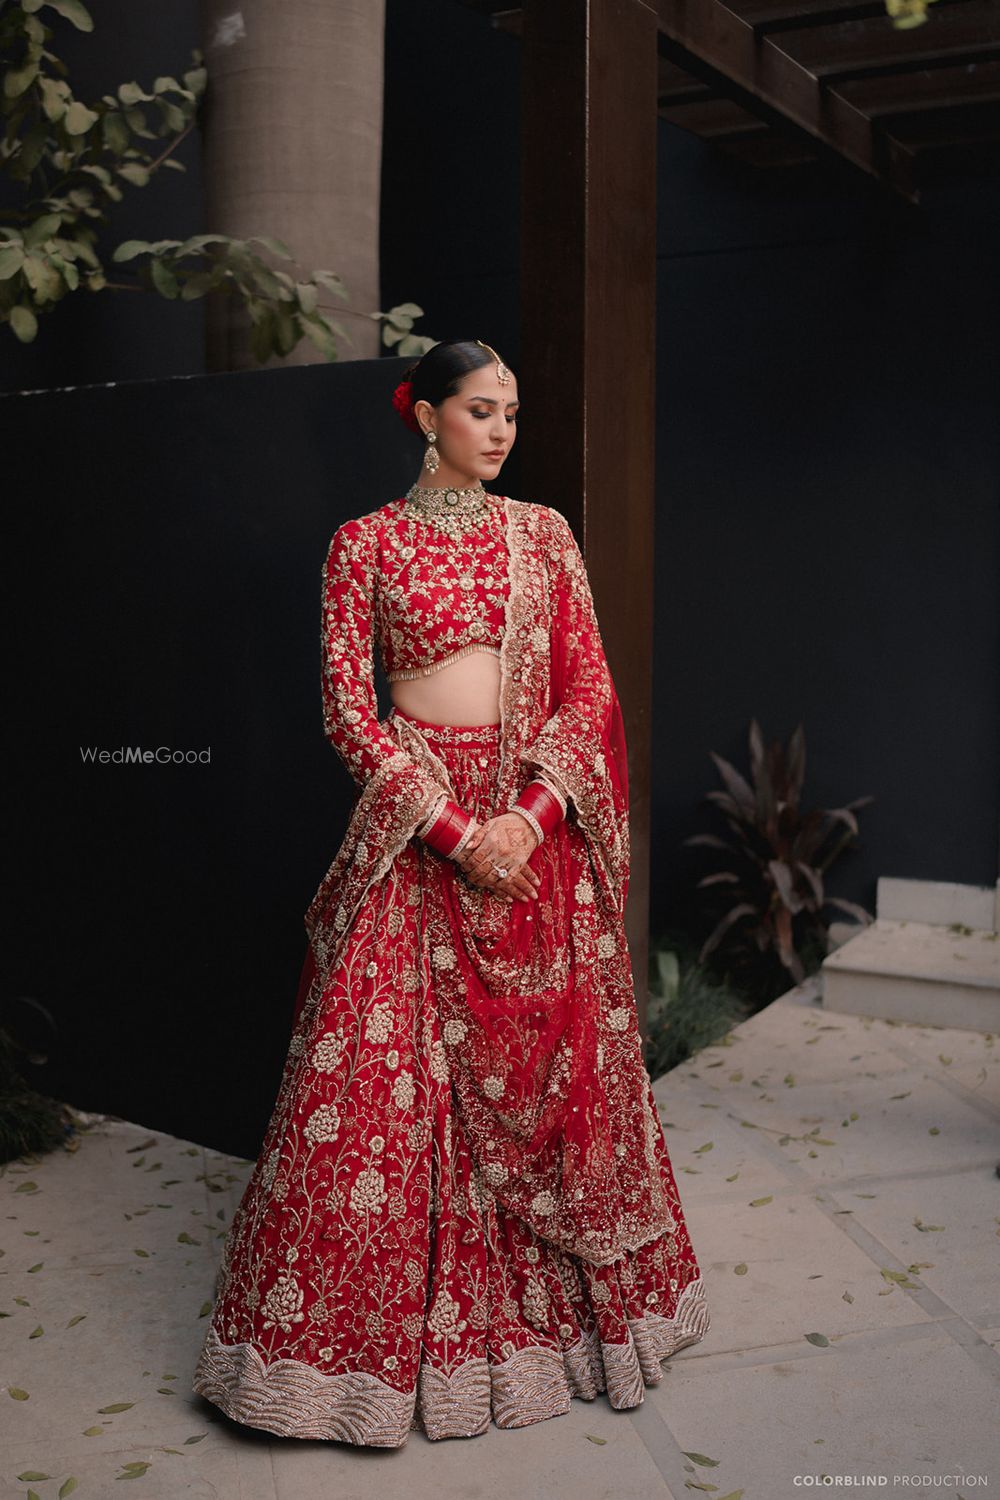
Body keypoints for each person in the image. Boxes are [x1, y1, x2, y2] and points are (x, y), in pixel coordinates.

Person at [192, 339, 710, 1446]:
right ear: (424, 415)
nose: (502, 430)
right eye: (481, 410)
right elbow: (345, 708)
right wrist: (450, 828)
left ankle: (566, 1340)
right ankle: (340, 1372)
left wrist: (526, 818)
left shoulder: (543, 536)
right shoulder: (363, 545)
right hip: (416, 829)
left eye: (512, 413)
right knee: (377, 1093)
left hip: (535, 832)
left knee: (560, 1076)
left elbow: (587, 689)